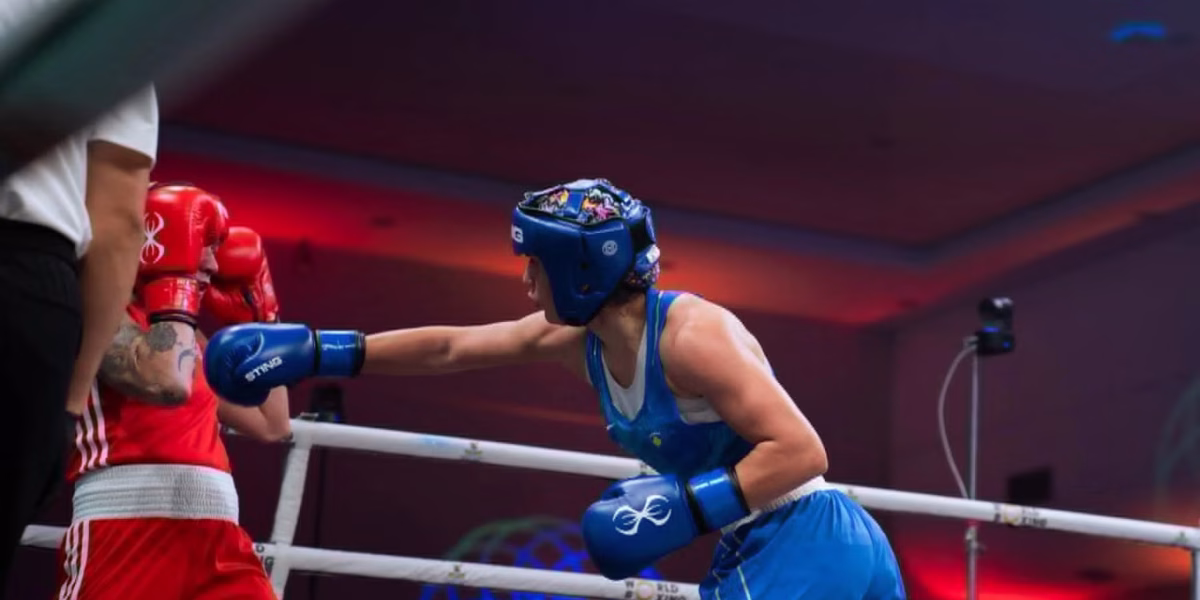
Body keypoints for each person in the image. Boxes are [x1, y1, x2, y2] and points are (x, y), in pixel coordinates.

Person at [203, 178, 907, 598]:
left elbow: (802, 451)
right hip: (775, 541)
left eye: (535, 263)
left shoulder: (693, 335)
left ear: (579, 268)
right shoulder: (581, 340)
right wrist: (321, 350)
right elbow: (453, 348)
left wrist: (686, 507)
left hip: (804, 535)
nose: (525, 280)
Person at [56, 183, 291, 599]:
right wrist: (175, 282)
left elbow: (271, 422)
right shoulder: (94, 307)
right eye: (201, 243)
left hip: (219, 536)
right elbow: (165, 384)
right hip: (126, 535)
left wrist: (262, 322)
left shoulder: (186, 335)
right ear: (154, 240)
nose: (214, 263)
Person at [0, 24, 158, 587]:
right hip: (22, 276)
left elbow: (270, 421)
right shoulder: (99, 24)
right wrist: (68, 406)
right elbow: (119, 221)